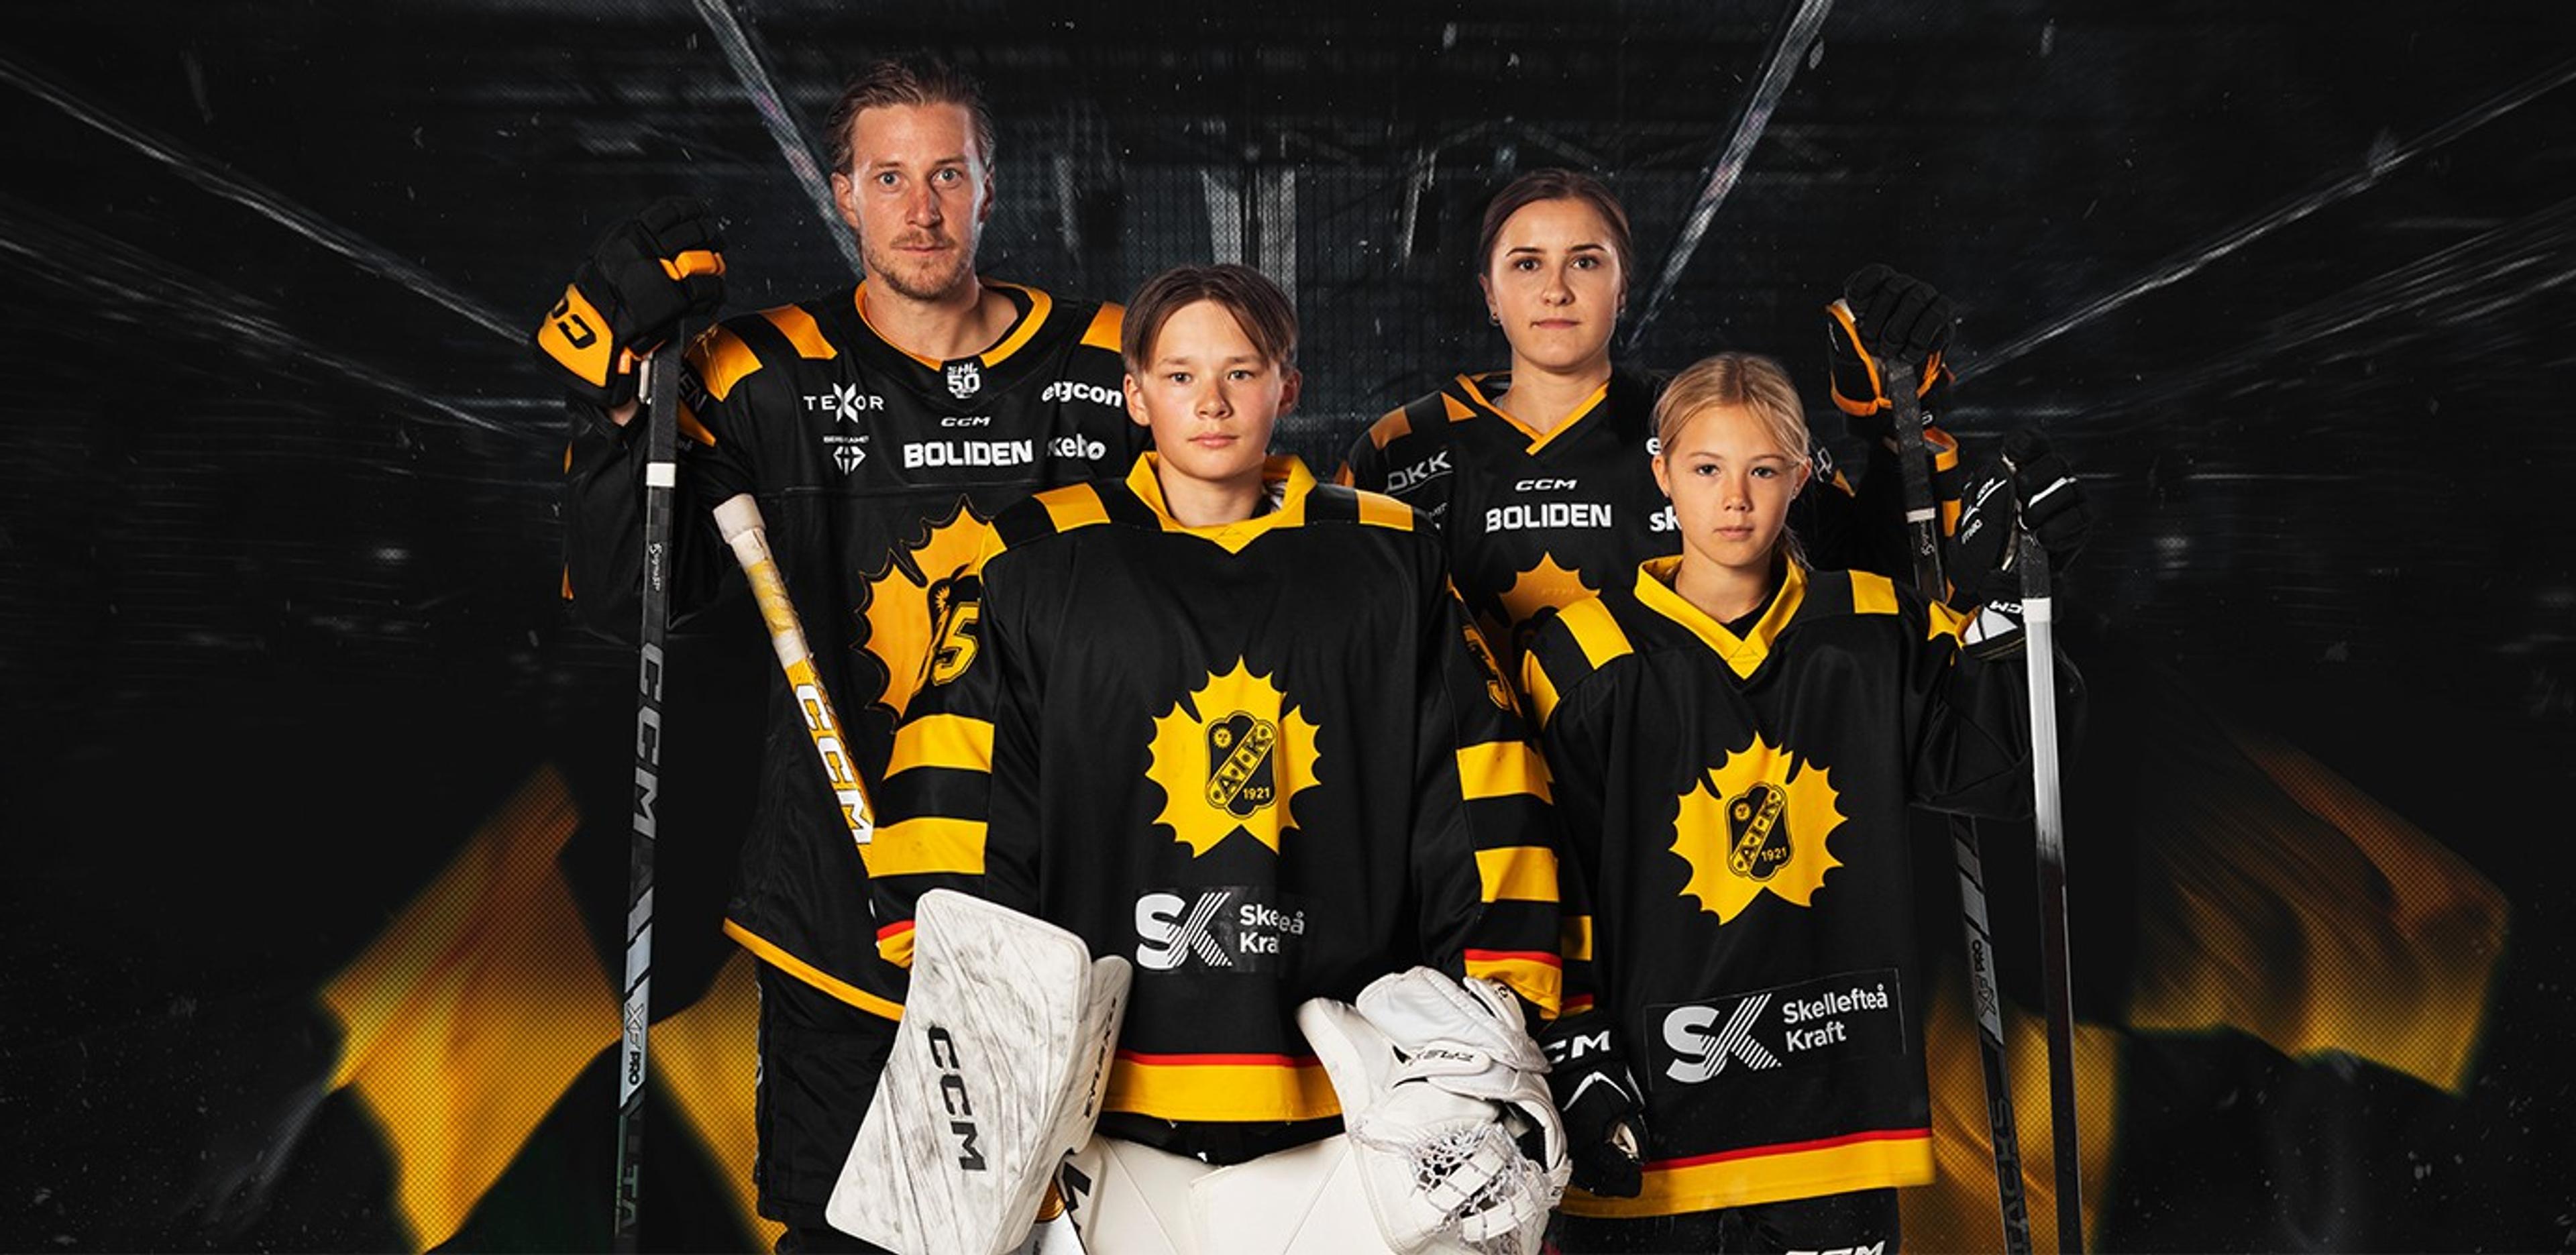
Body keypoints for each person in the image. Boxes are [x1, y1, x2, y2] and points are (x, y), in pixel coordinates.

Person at [530, 52, 1144, 1253]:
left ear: (990, 188)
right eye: (891, 176)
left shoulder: (1109, 362)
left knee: (1078, 1233)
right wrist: (612, 413)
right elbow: (627, 593)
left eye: (949, 174)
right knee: (847, 1236)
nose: (922, 207)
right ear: (844, 192)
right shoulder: (764, 372)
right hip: (838, 915)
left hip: (1057, 901)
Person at [864, 263, 1568, 1249]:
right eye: (1182, 372)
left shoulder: (1392, 558)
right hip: (1097, 1112)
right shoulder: (1031, 560)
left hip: (1348, 1101)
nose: (1212, 400)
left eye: (1242, 371)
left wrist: (1496, 1003)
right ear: (1134, 391)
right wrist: (977, 1041)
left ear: (1289, 386)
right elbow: (959, 802)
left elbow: (1481, 788)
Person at [1517, 351, 2089, 1254]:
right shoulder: (1584, 654)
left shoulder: (1872, 622)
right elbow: (1548, 876)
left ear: (1800, 473)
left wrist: (2012, 609)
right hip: (1652, 1134)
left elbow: (2000, 771)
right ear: (1663, 472)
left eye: (1762, 469)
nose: (1733, 499)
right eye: (1706, 469)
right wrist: (1574, 1046)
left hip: (1837, 1127)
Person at [1335, 168, 1965, 663]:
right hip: (1479, 812)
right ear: (1489, 294)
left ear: (1624, 287)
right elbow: (1336, 641)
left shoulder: (1716, 425)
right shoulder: (1401, 448)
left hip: (1680, 804)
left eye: (1586, 261)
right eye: (1527, 263)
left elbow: (1890, 583)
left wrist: (1896, 426)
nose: (1556, 289)